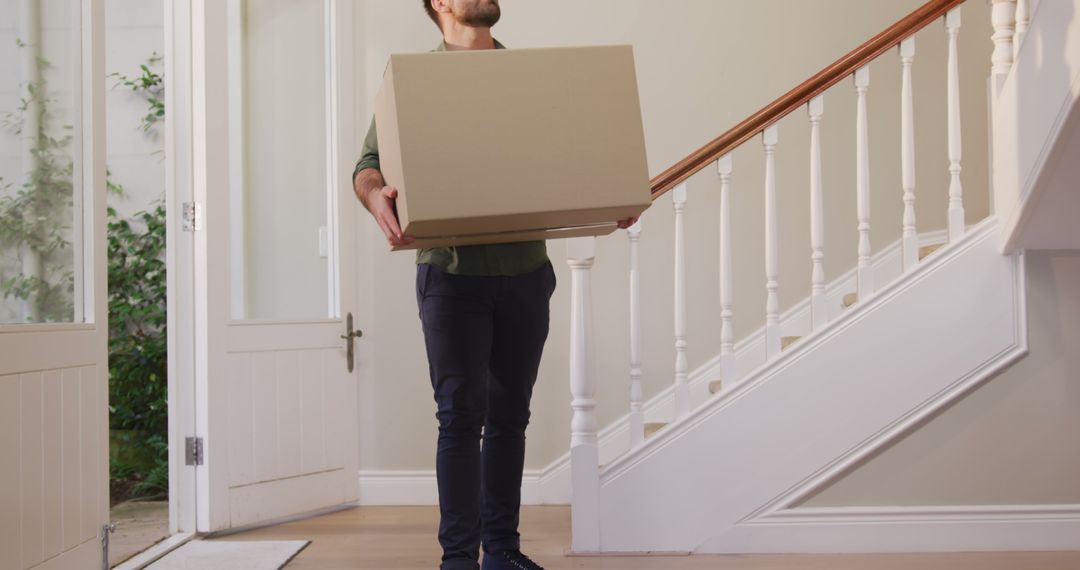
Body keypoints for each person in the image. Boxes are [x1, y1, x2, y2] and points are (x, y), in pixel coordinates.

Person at [353, 2, 636, 568]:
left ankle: (502, 552)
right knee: (460, 417)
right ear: (438, 3)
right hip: (452, 274)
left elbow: (569, 155)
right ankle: (458, 559)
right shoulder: (411, 81)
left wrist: (612, 190)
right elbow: (367, 164)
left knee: (511, 416)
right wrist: (374, 193)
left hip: (526, 272)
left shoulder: (529, 80)